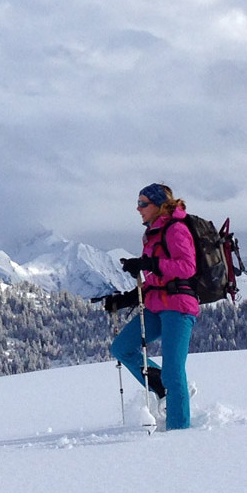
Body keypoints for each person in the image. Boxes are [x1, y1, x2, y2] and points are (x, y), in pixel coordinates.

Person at [98, 183, 197, 430]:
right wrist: (125, 300)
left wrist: (150, 262)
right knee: (122, 347)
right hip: (156, 305)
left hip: (179, 306)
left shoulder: (176, 229)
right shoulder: (152, 233)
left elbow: (187, 267)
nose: (138, 208)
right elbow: (155, 278)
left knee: (174, 371)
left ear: (159, 205)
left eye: (143, 203)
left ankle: (180, 432)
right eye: (138, 203)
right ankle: (162, 387)